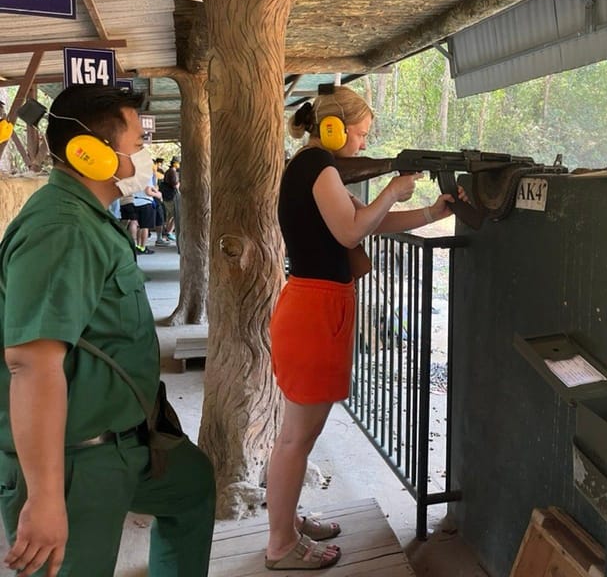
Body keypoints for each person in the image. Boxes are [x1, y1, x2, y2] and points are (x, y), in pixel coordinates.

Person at [0, 85, 215, 577]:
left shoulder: (88, 219)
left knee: (191, 487)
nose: (144, 155)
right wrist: (47, 497)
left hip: (125, 441)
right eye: (137, 142)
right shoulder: (62, 230)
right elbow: (31, 364)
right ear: (89, 153)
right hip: (77, 460)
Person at [265, 84, 465, 570]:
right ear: (333, 128)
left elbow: (362, 222)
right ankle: (280, 545)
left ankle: (287, 524)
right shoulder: (318, 168)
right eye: (359, 134)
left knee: (302, 434)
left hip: (318, 305)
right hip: (314, 310)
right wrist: (393, 188)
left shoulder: (314, 169)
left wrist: (428, 213)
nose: (361, 144)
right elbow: (351, 232)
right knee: (297, 436)